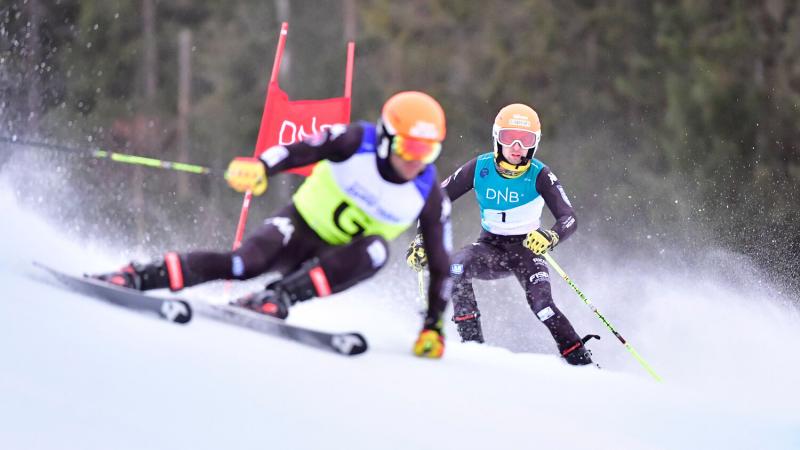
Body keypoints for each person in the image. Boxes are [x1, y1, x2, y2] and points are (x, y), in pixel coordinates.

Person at [94, 91, 454, 359]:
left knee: (377, 250)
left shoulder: (428, 193)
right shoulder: (356, 140)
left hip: (338, 257)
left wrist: (434, 326)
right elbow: (300, 149)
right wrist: (261, 167)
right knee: (242, 265)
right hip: (297, 228)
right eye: (409, 148)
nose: (416, 161)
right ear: (388, 137)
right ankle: (141, 275)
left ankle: (278, 297)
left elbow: (441, 264)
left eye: (428, 151)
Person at [406, 103, 595, 365]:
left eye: (525, 140)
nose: (517, 147)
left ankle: (582, 363)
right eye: (509, 138)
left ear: (534, 144)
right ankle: (473, 348)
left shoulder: (540, 174)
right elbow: (436, 200)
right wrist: (421, 241)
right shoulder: (480, 167)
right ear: (497, 138)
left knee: (543, 307)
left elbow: (569, 217)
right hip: (490, 247)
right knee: (456, 269)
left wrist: (550, 237)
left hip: (527, 250)